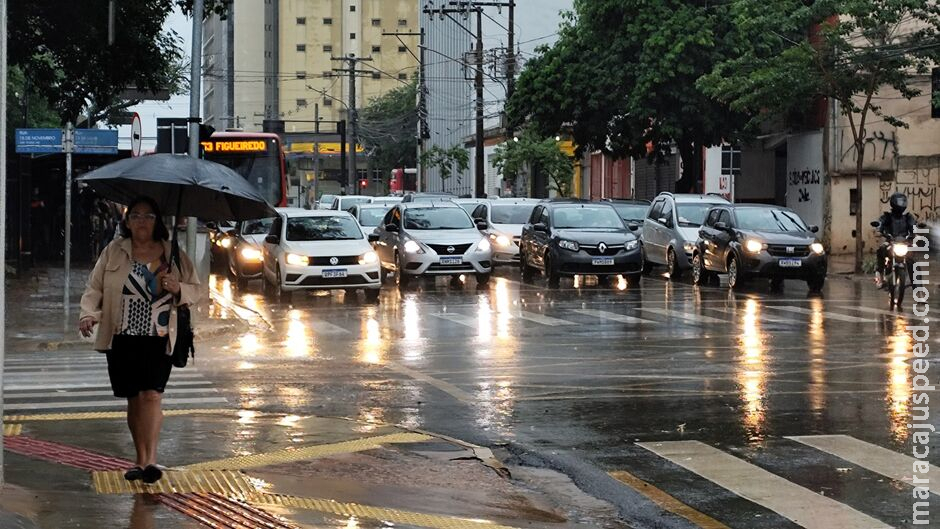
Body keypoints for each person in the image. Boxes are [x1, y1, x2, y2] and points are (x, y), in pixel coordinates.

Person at [78, 196, 200, 484]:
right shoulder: (114, 251)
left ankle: (151, 462)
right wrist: (88, 313)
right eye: (135, 216)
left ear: (157, 221)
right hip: (122, 336)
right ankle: (139, 458)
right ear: (127, 220)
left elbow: (195, 289)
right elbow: (94, 287)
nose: (141, 221)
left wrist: (177, 287)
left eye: (148, 216)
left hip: (159, 337)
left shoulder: (172, 253)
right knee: (134, 399)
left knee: (152, 395)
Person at [874, 192, 916, 288]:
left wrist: (915, 230)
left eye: (903, 202)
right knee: (881, 250)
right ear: (893, 202)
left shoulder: (908, 218)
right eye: (899, 202)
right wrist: (879, 227)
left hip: (904, 243)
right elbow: (881, 222)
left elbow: (913, 226)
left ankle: (918, 290)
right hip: (890, 242)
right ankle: (879, 276)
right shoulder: (887, 217)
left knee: (912, 260)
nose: (901, 204)